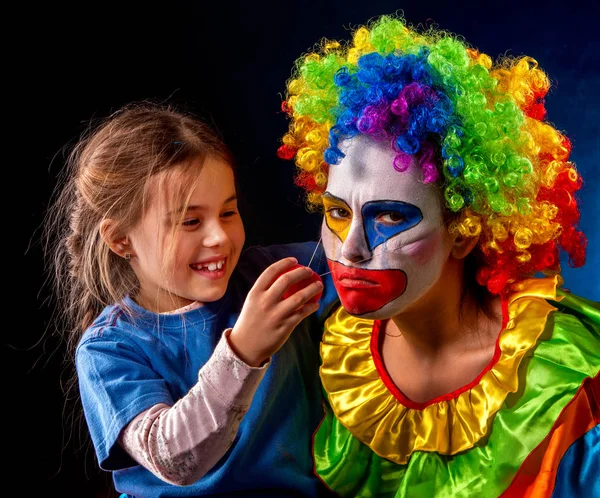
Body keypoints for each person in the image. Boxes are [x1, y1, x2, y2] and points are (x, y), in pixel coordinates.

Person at [277, 13, 599, 497]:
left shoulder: (564, 378)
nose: (352, 250)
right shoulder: (336, 348)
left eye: (389, 216)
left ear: (463, 232)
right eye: (338, 213)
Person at [43, 101, 339, 497]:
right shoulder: (109, 349)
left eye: (229, 212)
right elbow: (174, 459)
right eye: (191, 221)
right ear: (120, 240)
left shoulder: (271, 277)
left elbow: (359, 260)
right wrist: (244, 351)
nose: (218, 237)